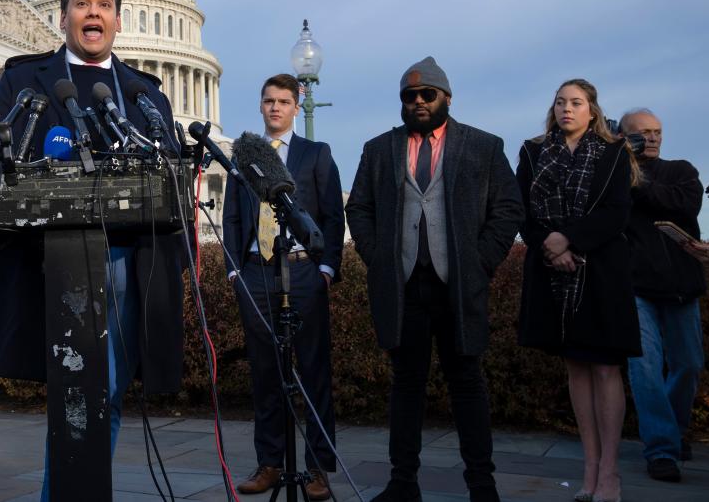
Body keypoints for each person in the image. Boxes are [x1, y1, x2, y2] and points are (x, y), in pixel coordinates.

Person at [0, 0, 184, 501]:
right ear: (63, 15)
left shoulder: (145, 94)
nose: (92, 13)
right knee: (72, 393)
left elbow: (169, 181)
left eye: (103, 4)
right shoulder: (24, 82)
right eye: (80, 3)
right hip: (50, 260)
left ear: (118, 19)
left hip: (124, 261)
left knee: (107, 394)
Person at [345, 57, 523, 502]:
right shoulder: (378, 148)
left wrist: (480, 263)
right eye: (410, 96)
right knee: (406, 387)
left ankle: (482, 485)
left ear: (447, 97)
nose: (419, 102)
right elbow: (359, 210)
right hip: (404, 288)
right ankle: (402, 483)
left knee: (468, 385)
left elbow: (507, 209)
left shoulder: (482, 146)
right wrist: (378, 258)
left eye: (428, 95)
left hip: (459, 287)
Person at [222, 74, 344, 499]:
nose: (276, 108)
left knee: (313, 371)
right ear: (261, 106)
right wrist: (234, 270)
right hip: (256, 271)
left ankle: (317, 469)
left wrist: (327, 267)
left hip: (303, 270)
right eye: (269, 101)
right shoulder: (244, 157)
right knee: (265, 372)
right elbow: (233, 217)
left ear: (296, 106)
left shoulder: (316, 153)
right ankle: (270, 463)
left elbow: (332, 214)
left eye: (284, 101)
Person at [516, 78, 639, 502]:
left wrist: (569, 239)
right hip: (552, 272)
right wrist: (551, 247)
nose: (567, 109)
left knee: (605, 368)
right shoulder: (533, 152)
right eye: (560, 102)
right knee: (575, 367)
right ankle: (589, 467)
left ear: (592, 111)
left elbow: (616, 212)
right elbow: (522, 211)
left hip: (601, 272)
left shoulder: (613, 153)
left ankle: (610, 474)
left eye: (576, 102)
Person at [616, 108, 705, 482]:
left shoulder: (681, 171)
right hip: (637, 288)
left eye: (656, 132)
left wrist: (635, 179)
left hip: (684, 286)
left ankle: (672, 429)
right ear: (624, 136)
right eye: (641, 133)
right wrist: (619, 163)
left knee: (688, 365)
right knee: (645, 368)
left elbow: (683, 204)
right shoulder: (615, 175)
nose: (651, 138)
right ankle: (662, 449)